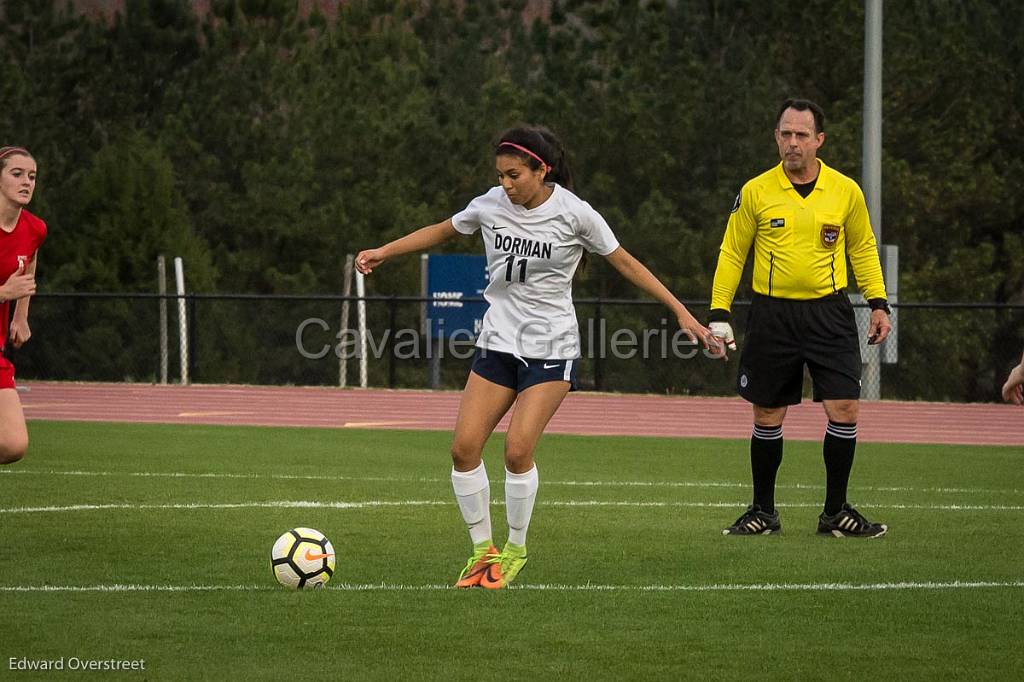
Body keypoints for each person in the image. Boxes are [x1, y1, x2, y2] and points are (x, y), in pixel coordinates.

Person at [357, 125, 721, 588]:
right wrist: (385, 251)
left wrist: (682, 313)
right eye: (501, 175)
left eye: (514, 175)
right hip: (498, 343)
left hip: (551, 349)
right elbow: (444, 230)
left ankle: (515, 549)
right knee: (463, 449)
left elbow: (626, 262)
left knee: (516, 450)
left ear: (540, 169)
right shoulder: (490, 204)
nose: (506, 185)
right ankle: (481, 552)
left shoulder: (575, 214)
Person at [708, 99, 892, 538]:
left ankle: (835, 512)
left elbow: (863, 248)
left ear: (819, 141)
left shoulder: (846, 190)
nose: (793, 143)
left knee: (845, 407)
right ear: (776, 138)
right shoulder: (755, 190)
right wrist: (719, 312)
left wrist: (879, 302)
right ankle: (763, 511)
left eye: (802, 135)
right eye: (785, 134)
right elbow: (733, 252)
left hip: (830, 312)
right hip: (772, 314)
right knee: (768, 413)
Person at [0, 146, 46, 465]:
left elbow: (29, 260)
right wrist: (3, 293)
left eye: (31, 176)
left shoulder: (34, 229)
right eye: (16, 174)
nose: (26, 181)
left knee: (13, 445)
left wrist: (21, 314)